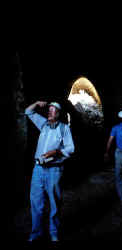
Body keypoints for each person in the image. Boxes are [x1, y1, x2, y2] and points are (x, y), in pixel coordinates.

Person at [25, 101, 75, 241]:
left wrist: (56, 152)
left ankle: (54, 232)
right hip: (38, 169)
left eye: (53, 110)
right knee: (36, 202)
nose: (50, 112)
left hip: (54, 171)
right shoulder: (43, 125)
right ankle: (36, 233)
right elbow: (28, 112)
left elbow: (70, 149)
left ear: (59, 114)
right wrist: (36, 103)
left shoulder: (64, 129)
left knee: (54, 203)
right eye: (49, 109)